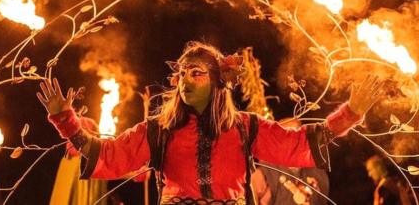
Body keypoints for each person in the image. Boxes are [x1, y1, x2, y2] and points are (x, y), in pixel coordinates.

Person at [37, 41, 383, 204]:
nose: (186, 80)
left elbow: (300, 144)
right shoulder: (158, 129)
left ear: (218, 81)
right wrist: (66, 121)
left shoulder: (247, 127)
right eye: (183, 73)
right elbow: (109, 155)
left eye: (197, 73)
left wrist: (350, 113)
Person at [253, 118, 329, 205]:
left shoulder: (318, 174)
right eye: (287, 135)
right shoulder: (265, 173)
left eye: (297, 134)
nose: (293, 140)